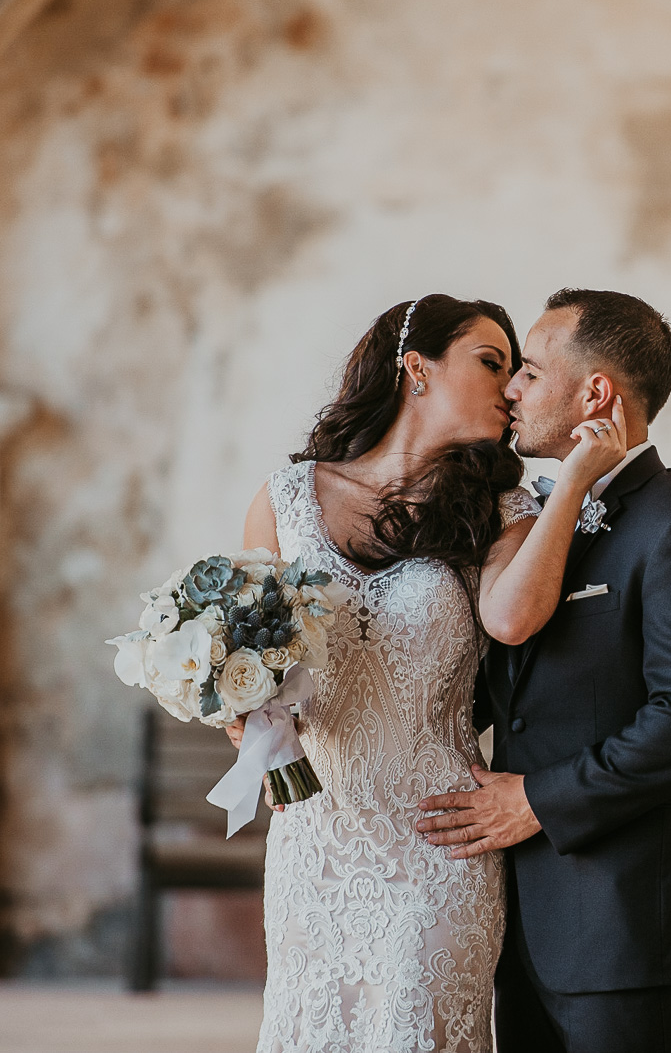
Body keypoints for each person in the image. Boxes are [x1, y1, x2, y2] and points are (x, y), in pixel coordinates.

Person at [231, 293, 629, 1053]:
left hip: (438, 843)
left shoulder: (499, 504)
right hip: (316, 845)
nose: (511, 389)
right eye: (491, 364)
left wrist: (572, 483)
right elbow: (250, 662)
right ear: (416, 368)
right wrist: (239, 710)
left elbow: (510, 619)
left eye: (517, 372)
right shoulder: (285, 502)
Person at [414, 288, 671, 1053]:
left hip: (630, 929)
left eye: (529, 371)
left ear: (596, 392)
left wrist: (538, 802)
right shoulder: (535, 519)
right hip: (523, 927)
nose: (511, 388)